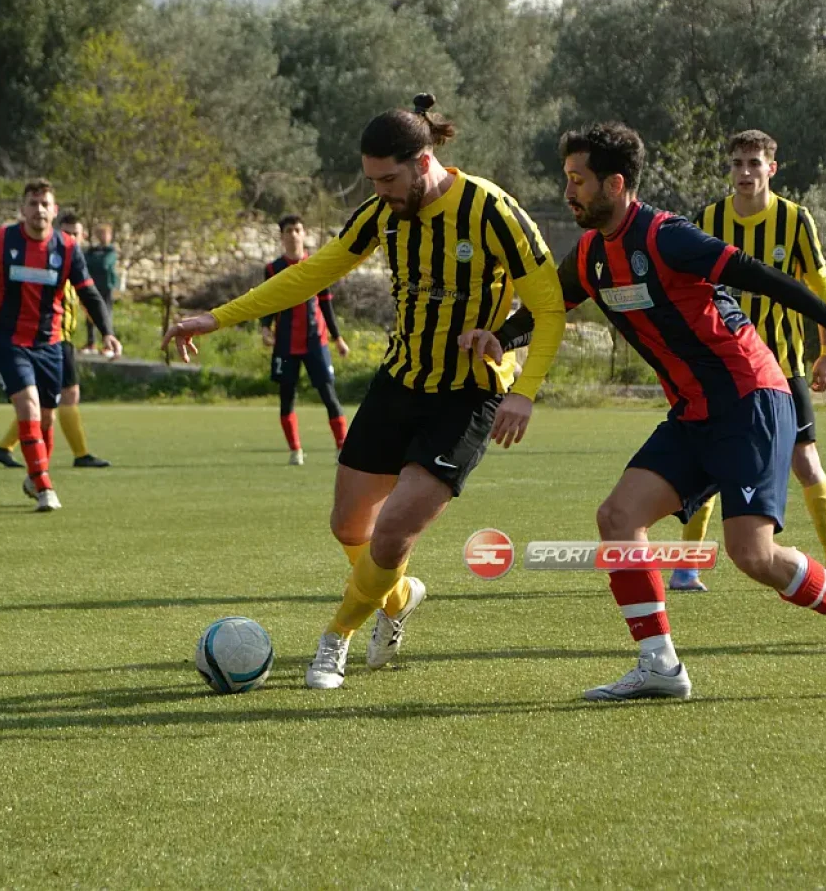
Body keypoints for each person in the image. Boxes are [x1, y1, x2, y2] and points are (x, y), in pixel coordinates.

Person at [161, 94, 566, 688]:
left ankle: (336, 638)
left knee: (396, 526)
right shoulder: (382, 213)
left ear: (423, 160)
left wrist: (522, 389)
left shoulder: (491, 210)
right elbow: (311, 272)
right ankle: (397, 597)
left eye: (389, 178)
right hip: (399, 382)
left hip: (468, 394)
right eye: (371, 180)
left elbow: (551, 308)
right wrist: (216, 318)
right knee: (349, 526)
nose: (380, 191)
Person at [488, 123, 826, 700]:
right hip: (694, 413)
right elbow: (548, 308)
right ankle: (659, 664)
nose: (569, 192)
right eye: (567, 180)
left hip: (751, 398)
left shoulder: (666, 236)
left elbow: (757, 274)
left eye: (578, 181)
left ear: (616, 183)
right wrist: (498, 340)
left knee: (751, 555)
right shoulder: (588, 255)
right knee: (617, 518)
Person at [671, 129, 826, 593]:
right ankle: (687, 566)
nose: (745, 172)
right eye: (737, 163)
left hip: (784, 365)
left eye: (754, 163)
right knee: (710, 458)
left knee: (805, 459)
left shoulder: (794, 219)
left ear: (772, 168)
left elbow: (819, 285)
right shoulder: (708, 218)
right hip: (720, 365)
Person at [0, 179, 121, 511]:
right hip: (7, 341)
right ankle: (45, 488)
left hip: (50, 345)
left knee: (46, 419)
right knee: (27, 406)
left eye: (45, 204)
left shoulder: (67, 248)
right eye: (33, 203)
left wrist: (107, 331)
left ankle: (33, 475)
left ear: (54, 211)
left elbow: (89, 293)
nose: (39, 209)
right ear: (22, 209)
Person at [0, 213, 111, 469]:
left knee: (47, 403)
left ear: (83, 236)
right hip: (52, 341)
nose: (71, 238)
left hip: (60, 340)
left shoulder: (72, 264)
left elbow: (88, 299)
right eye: (67, 233)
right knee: (64, 397)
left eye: (76, 234)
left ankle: (5, 446)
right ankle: (80, 454)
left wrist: (103, 330)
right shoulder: (54, 264)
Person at [258, 214, 351, 465]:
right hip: (286, 344)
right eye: (289, 230)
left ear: (304, 233)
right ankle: (295, 450)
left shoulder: (316, 265)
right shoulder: (273, 269)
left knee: (328, 394)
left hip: (315, 342)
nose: (294, 235)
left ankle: (342, 448)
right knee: (286, 397)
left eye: (298, 230)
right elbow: (266, 302)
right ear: (282, 236)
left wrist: (338, 338)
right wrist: (265, 328)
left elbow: (326, 305)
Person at [82, 223, 118, 355]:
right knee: (90, 314)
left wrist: (93, 260)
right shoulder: (92, 250)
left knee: (106, 314)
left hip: (106, 286)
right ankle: (91, 342)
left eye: (105, 234)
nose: (103, 237)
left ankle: (108, 345)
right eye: (100, 234)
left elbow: (104, 264)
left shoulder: (111, 251)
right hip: (92, 285)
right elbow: (84, 262)